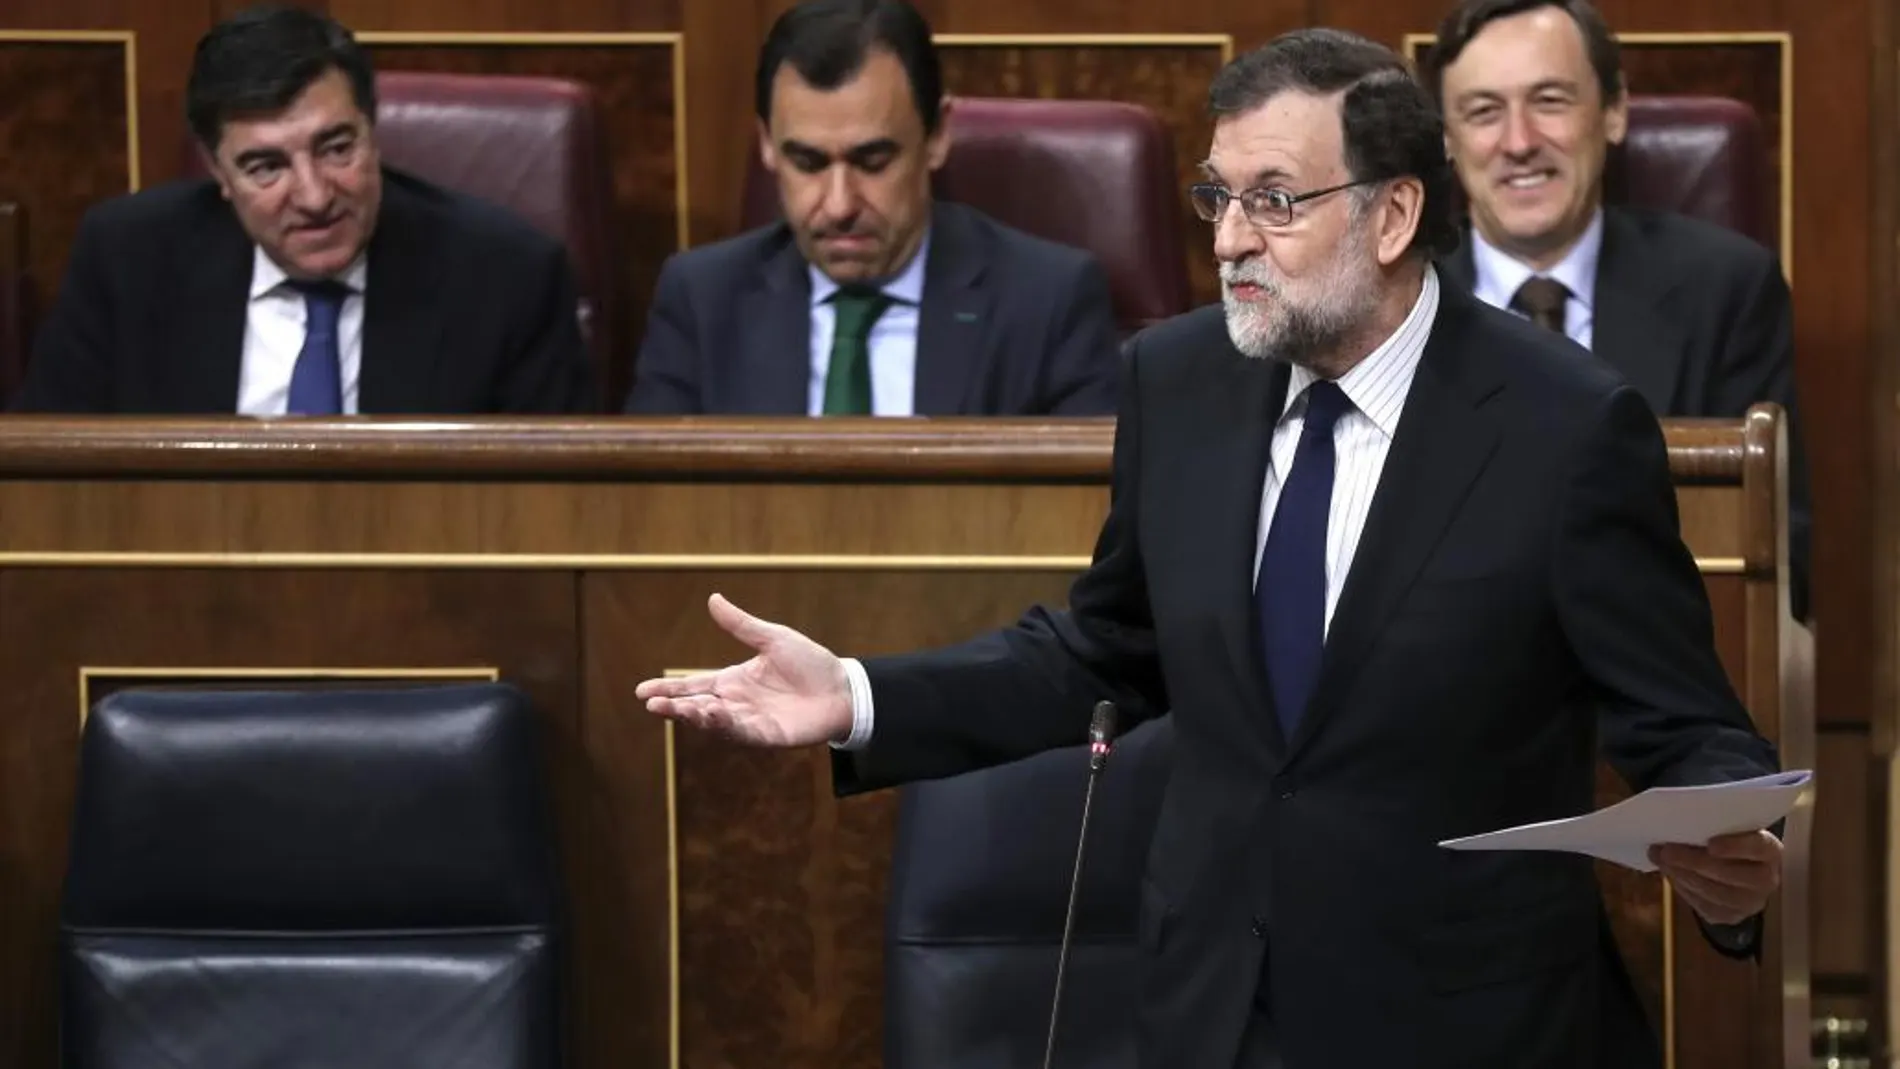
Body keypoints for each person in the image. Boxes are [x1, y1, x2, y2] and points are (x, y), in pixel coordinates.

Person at [637, 29, 1784, 1069]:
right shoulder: (1180, 379)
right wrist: (853, 694)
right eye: (1217, 196)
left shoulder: (1564, 427)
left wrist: (1728, 855)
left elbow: (1689, 727)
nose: (1231, 239)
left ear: (1390, 216)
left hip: (1468, 1024)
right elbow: (1104, 649)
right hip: (1214, 1016)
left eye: (1275, 201)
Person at [1423, 0, 1812, 620]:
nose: (1519, 142)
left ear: (1613, 111)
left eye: (1550, 100)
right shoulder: (1393, 308)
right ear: (1446, 138)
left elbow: (1775, 561)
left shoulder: (1726, 291)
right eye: (1484, 112)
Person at [13, 4, 595, 415]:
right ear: (219, 173)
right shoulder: (127, 261)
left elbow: (549, 510)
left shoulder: (506, 277)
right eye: (266, 167)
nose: (315, 196)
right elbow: (51, 480)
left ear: (374, 132)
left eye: (337, 147)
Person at [622, 0, 1121, 417]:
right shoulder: (703, 301)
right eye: (808, 162)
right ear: (767, 145)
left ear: (937, 135)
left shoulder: (1047, 302)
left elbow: (1082, 516)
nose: (839, 205)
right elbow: (652, 513)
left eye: (873, 161)